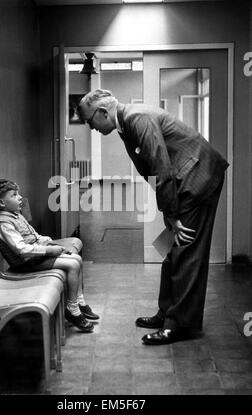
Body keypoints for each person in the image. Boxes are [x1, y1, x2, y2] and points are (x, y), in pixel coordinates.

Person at [78, 89, 229, 345]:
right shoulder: (126, 124)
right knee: (172, 250)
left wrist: (172, 214)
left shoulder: (137, 119)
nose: (90, 127)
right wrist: (170, 212)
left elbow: (161, 166)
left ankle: (180, 325)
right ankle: (167, 313)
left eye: (89, 120)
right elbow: (153, 169)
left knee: (186, 251)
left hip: (197, 179)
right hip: (185, 180)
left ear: (102, 112)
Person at [0, 179, 99, 333]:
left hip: (35, 257)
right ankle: (72, 309)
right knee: (72, 264)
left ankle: (79, 301)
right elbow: (21, 249)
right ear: (1, 202)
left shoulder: (16, 215)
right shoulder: (3, 224)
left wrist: (50, 243)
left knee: (77, 258)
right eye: (14, 195)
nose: (20, 197)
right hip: (25, 263)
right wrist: (48, 251)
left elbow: (34, 236)